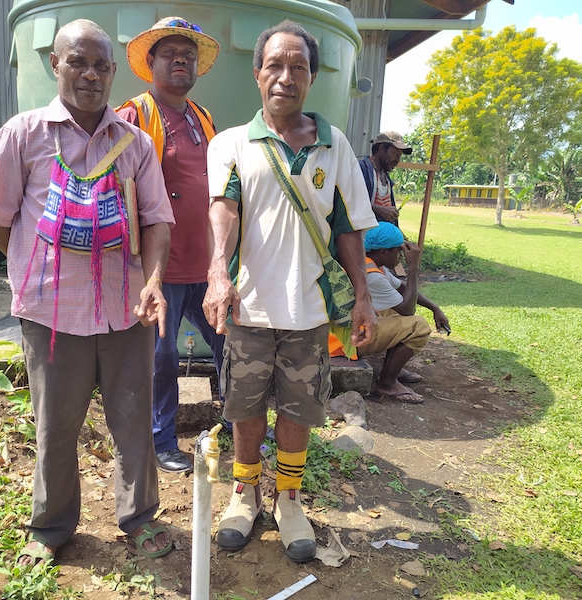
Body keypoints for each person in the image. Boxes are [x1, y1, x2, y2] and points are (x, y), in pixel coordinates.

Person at [0, 19, 176, 565]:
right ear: (54, 65)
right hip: (51, 311)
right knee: (55, 424)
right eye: (77, 62)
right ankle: (53, 526)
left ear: (112, 72)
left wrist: (153, 280)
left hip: (125, 308)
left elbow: (157, 219)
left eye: (101, 65)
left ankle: (138, 518)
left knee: (133, 420)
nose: (90, 74)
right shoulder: (23, 135)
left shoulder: (134, 143)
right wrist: (36, 266)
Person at [203, 20, 378, 563]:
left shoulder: (335, 144)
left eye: (297, 66)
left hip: (310, 311)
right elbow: (224, 209)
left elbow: (349, 226)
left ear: (313, 76)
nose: (285, 76)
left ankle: (290, 499)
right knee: (245, 405)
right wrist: (217, 271)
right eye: (274, 65)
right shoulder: (232, 142)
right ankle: (243, 494)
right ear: (258, 74)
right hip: (249, 309)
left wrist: (364, 295)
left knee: (299, 410)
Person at [117, 17, 224, 474]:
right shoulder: (133, 116)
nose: (181, 61)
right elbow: (115, 193)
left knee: (231, 346)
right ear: (151, 62)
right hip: (156, 267)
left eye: (189, 55)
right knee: (160, 358)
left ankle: (240, 425)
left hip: (205, 265)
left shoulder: (203, 118)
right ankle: (160, 438)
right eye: (170, 54)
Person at [329, 222, 450, 404]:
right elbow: (408, 309)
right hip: (344, 343)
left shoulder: (369, 264)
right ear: (384, 252)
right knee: (418, 326)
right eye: (398, 251)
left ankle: (394, 366)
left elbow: (402, 287)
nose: (401, 257)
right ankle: (387, 382)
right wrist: (414, 268)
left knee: (392, 309)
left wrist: (435, 308)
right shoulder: (373, 277)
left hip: (341, 333)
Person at [358, 131, 412, 223]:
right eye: (396, 154)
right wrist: (379, 209)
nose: (397, 160)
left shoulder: (386, 179)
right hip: (362, 236)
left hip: (380, 236)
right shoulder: (361, 169)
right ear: (382, 148)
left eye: (400, 156)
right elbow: (350, 201)